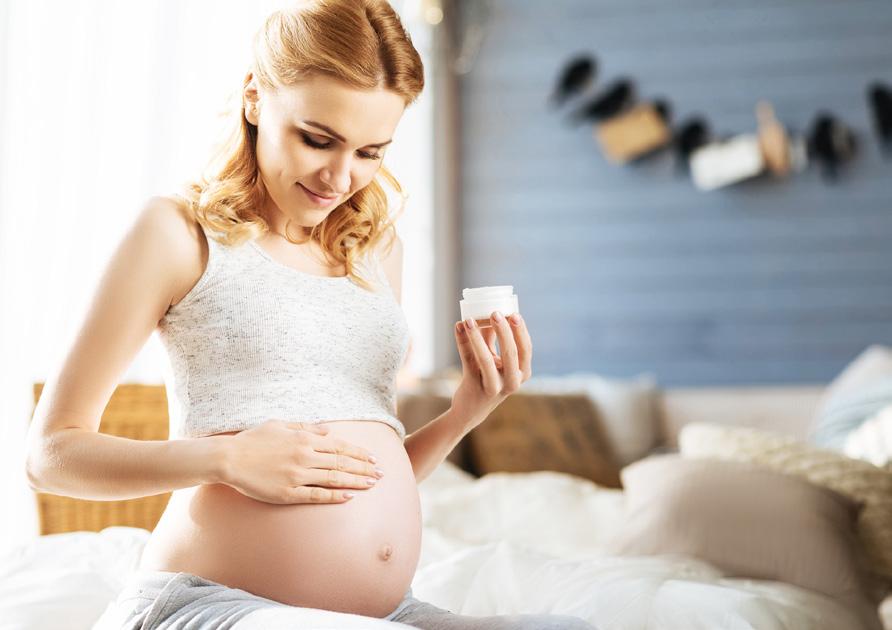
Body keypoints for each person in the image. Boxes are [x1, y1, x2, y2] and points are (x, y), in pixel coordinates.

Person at [26, 1, 597, 628]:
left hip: (383, 613)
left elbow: (367, 473)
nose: (339, 177)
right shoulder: (179, 234)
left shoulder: (375, 251)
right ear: (254, 97)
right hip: (212, 605)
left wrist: (468, 410)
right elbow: (52, 455)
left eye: (370, 152)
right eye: (317, 139)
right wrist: (224, 459)